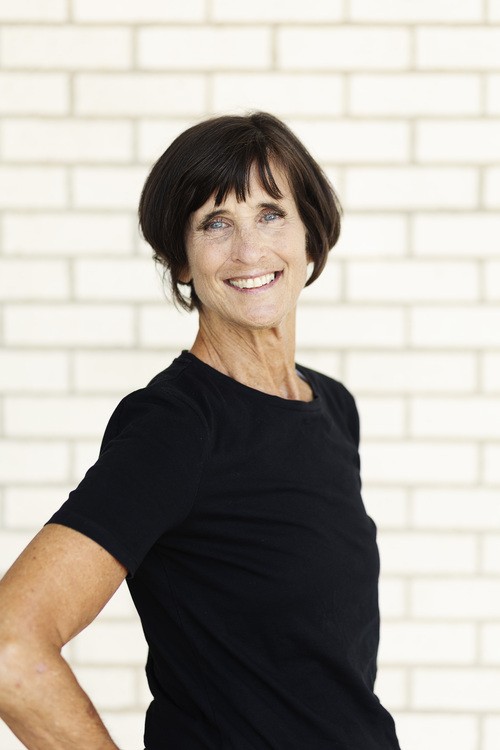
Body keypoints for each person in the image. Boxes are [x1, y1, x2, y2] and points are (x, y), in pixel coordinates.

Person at [0, 112, 401, 750]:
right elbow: (11, 645)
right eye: (215, 223)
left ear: (311, 236)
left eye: (271, 213)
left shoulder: (331, 407)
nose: (249, 250)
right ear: (180, 261)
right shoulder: (176, 426)